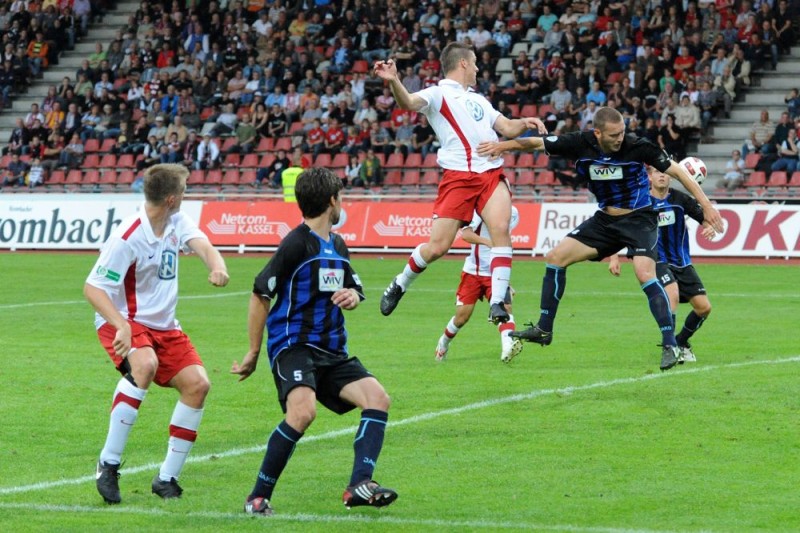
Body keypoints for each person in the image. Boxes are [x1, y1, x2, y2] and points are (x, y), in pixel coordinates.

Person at [477, 107, 724, 371]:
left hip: (639, 220)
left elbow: (678, 171)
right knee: (555, 258)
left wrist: (706, 206)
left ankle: (670, 344)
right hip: (605, 221)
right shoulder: (580, 143)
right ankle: (544, 328)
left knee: (644, 274)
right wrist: (502, 146)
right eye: (614, 135)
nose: (620, 138)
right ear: (597, 133)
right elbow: (536, 143)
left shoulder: (637, 146)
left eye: (622, 133)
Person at [230, 167, 397, 516]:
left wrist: (352, 295)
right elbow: (261, 293)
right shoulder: (296, 243)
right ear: (332, 200)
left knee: (378, 398)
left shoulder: (338, 245)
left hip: (332, 350)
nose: (342, 203)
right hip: (294, 345)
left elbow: (354, 287)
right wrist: (254, 350)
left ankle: (360, 485)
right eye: (341, 197)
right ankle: (257, 497)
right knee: (303, 413)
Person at [85, 164, 229, 505]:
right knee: (145, 364)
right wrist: (121, 325)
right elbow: (93, 288)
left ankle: (166, 479)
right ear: (171, 199)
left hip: (165, 326)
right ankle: (108, 463)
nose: (186, 196)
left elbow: (204, 246)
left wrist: (218, 267)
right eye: (184, 191)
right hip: (126, 320)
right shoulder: (129, 236)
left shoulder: (177, 221)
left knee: (198, 385)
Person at [372, 42, 545, 325]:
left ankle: (498, 302)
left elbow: (506, 127)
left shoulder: (479, 100)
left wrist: (525, 122)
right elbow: (408, 103)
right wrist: (394, 81)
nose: (477, 67)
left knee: (501, 228)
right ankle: (401, 282)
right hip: (458, 178)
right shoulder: (438, 94)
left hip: (490, 173)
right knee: (437, 247)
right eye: (474, 61)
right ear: (463, 63)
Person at [609, 165, 714, 363]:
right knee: (671, 295)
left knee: (704, 308)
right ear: (650, 177)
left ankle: (680, 342)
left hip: (682, 262)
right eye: (657, 172)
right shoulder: (640, 201)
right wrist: (614, 257)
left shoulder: (680, 200)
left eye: (665, 173)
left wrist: (708, 227)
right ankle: (670, 347)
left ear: (671, 177)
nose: (662, 176)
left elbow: (704, 218)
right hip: (654, 260)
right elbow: (617, 228)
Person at [435, 206, 524, 363]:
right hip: (473, 272)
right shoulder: (478, 211)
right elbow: (466, 234)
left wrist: (506, 279)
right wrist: (488, 242)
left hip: (494, 273)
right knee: (461, 318)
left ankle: (507, 348)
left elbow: (505, 242)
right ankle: (443, 343)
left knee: (505, 307)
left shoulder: (513, 213)